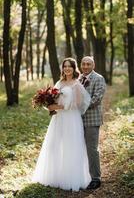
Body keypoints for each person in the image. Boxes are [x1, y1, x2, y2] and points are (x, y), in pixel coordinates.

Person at [32, 57, 91, 191]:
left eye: (70, 66)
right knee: (55, 145)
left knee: (71, 146)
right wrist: (48, 104)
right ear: (62, 68)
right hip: (59, 119)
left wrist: (56, 107)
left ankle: (71, 178)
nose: (67, 68)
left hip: (71, 119)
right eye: (65, 66)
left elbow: (77, 103)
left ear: (74, 68)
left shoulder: (76, 84)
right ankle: (55, 176)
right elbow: (54, 98)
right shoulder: (59, 82)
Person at [79, 56, 106, 190]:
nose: (85, 66)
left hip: (92, 119)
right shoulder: (78, 79)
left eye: (88, 64)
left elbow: (96, 99)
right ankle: (83, 175)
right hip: (77, 120)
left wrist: (77, 106)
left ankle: (96, 178)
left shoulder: (99, 78)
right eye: (83, 64)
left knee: (91, 149)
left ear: (93, 65)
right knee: (79, 148)